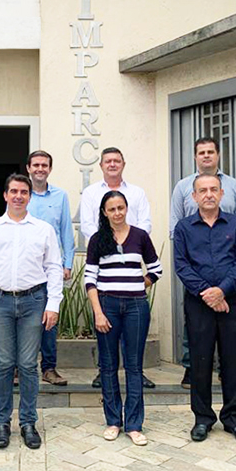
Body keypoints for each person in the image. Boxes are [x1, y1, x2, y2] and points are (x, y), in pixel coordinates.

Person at [0, 174, 63, 449]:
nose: (18, 196)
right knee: (4, 364)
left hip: (34, 301)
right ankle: (1, 423)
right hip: (0, 302)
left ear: (30, 196)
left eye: (24, 192)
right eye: (14, 191)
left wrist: (53, 304)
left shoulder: (43, 229)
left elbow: (54, 267)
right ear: (5, 195)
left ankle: (28, 422)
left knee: (28, 365)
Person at [173, 174, 236, 444]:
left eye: (213, 189)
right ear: (194, 196)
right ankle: (202, 418)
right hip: (198, 304)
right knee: (200, 362)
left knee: (234, 361)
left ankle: (233, 418)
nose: (208, 194)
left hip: (232, 302)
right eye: (203, 190)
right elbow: (182, 265)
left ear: (221, 194)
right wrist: (208, 293)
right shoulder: (184, 228)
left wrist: (222, 291)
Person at [170, 137, 236, 389]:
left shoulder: (234, 186)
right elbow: (176, 228)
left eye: (210, 151)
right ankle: (191, 367)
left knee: (231, 346)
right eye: (201, 152)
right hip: (197, 276)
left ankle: (225, 374)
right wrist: (207, 291)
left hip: (229, 278)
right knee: (195, 332)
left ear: (217, 155)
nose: (206, 156)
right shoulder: (183, 187)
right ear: (195, 157)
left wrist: (222, 290)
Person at [85, 191, 162, 446]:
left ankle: (134, 424)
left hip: (136, 307)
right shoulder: (98, 239)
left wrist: (139, 285)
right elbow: (90, 279)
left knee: (134, 366)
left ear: (127, 208)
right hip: (106, 305)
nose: (117, 213)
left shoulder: (140, 236)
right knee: (108, 366)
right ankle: (113, 421)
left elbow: (156, 269)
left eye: (121, 207)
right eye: (112, 209)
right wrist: (98, 312)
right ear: (104, 213)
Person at [79, 146, 155, 389]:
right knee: (106, 324)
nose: (112, 164)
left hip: (132, 257)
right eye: (108, 161)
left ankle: (136, 373)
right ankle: (103, 371)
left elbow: (145, 223)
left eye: (116, 161)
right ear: (101, 165)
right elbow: (87, 224)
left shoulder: (137, 193)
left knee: (133, 331)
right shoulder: (91, 193)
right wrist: (107, 241)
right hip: (103, 258)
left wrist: (130, 239)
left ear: (123, 164)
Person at [26, 150, 75, 386]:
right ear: (28, 168)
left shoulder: (60, 196)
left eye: (44, 165)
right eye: (36, 165)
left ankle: (49, 368)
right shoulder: (21, 194)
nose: (40, 169)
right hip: (25, 267)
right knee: (23, 319)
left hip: (51, 267)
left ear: (50, 169)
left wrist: (67, 263)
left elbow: (66, 230)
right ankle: (19, 368)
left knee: (50, 319)